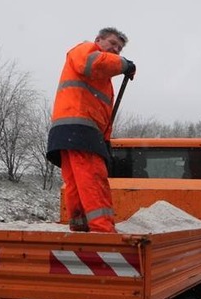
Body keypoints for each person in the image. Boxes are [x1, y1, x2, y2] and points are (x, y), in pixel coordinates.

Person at [46, 27, 136, 232]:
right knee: (93, 177)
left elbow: (103, 116)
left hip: (70, 130)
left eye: (120, 49)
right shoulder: (86, 50)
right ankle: (103, 229)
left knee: (77, 181)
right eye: (112, 43)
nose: (116, 49)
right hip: (79, 127)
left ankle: (80, 224)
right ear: (98, 40)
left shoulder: (102, 79)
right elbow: (92, 64)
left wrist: (105, 139)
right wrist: (124, 64)